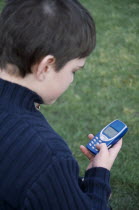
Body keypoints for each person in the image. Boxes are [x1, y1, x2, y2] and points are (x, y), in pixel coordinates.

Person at [0, 0, 122, 209]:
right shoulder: (48, 157)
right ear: (46, 66)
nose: (72, 80)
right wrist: (97, 177)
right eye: (74, 70)